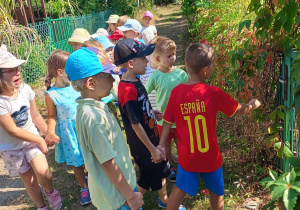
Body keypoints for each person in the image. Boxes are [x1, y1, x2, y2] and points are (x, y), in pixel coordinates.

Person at [157, 43, 261, 210]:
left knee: (179, 190)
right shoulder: (213, 93)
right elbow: (238, 109)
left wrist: (161, 145)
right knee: (216, 192)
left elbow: (167, 122)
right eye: (213, 65)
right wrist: (252, 105)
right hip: (210, 157)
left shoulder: (176, 93)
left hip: (187, 156)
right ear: (205, 71)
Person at [65, 46, 143, 210]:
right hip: (120, 197)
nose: (114, 80)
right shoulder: (94, 118)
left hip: (116, 191)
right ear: (91, 83)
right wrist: (130, 196)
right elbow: (107, 162)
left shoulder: (88, 108)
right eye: (108, 77)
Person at [114, 39, 185, 209]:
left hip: (151, 137)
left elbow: (141, 108)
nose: (148, 61)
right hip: (143, 144)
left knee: (161, 169)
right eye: (144, 58)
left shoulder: (136, 81)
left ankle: (164, 200)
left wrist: (151, 112)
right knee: (147, 177)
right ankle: (129, 204)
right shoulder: (126, 90)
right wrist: (152, 149)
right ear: (131, 63)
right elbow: (135, 124)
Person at [0, 46, 62, 210]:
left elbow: (35, 116)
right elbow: (12, 130)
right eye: (10, 70)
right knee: (29, 180)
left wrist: (47, 133)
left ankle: (50, 192)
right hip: (11, 148)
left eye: (17, 68)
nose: (17, 73)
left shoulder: (25, 90)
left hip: (31, 141)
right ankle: (41, 206)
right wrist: (39, 140)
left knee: (43, 171)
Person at [44, 50, 91, 205]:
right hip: (70, 133)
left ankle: (95, 179)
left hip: (85, 126)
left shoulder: (76, 84)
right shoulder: (51, 94)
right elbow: (52, 116)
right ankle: (84, 187)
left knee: (91, 155)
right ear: (60, 71)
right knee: (77, 161)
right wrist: (50, 131)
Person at [145, 38, 188, 183]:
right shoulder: (155, 77)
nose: (173, 58)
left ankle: (185, 167)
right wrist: (150, 110)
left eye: (174, 54)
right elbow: (144, 94)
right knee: (166, 146)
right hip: (164, 121)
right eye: (169, 56)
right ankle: (170, 168)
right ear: (158, 58)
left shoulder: (181, 74)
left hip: (181, 119)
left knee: (182, 144)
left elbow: (189, 91)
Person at [140, 36, 168, 111]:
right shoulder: (144, 73)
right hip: (153, 111)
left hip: (168, 110)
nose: (157, 57)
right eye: (155, 54)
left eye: (161, 54)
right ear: (149, 54)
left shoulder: (170, 72)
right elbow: (143, 93)